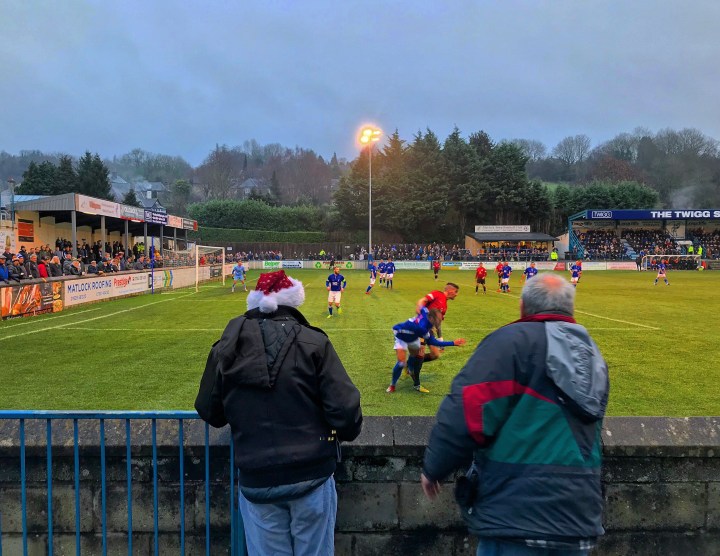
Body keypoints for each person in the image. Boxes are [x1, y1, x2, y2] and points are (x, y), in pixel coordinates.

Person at [421, 273, 609, 555]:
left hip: (518, 515)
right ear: (570, 309)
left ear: (523, 307)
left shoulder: (512, 341)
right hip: (578, 517)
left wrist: (435, 466)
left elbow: (469, 407)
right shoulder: (591, 352)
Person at [195, 269, 362, 556]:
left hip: (257, 477)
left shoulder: (226, 346)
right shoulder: (314, 342)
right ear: (292, 301)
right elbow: (345, 412)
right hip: (311, 474)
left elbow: (211, 411)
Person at [387, 306, 466, 393]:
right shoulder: (422, 328)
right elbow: (434, 342)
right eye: (439, 319)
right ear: (431, 318)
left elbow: (421, 307)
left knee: (415, 355)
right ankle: (392, 385)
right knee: (401, 362)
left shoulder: (425, 312)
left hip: (413, 338)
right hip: (400, 335)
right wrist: (453, 343)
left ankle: (409, 367)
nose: (441, 320)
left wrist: (418, 311)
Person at [416, 282, 460, 362]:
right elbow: (423, 300)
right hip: (421, 328)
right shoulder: (437, 294)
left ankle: (411, 362)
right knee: (420, 352)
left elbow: (438, 325)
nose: (456, 294)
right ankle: (411, 366)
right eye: (456, 291)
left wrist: (440, 339)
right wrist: (419, 308)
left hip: (429, 331)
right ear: (450, 290)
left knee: (435, 355)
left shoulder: (445, 306)